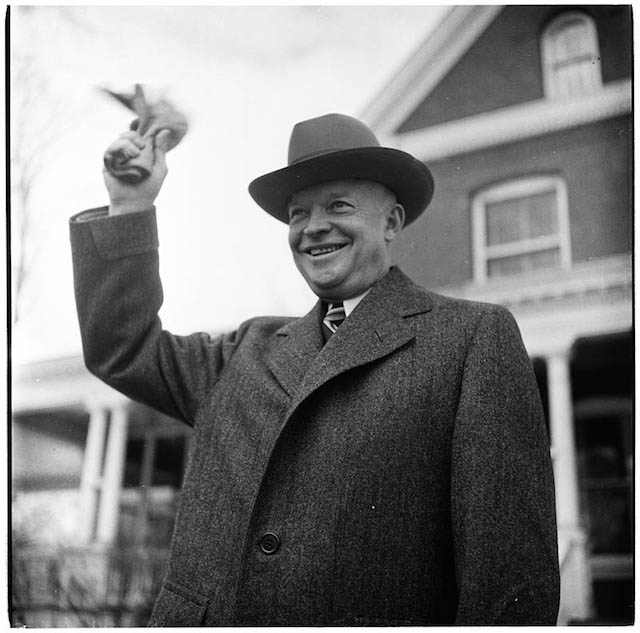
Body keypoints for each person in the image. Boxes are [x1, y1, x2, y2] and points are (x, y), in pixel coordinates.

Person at [69, 113, 560, 626]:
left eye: (339, 206)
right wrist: (130, 205)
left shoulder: (471, 338)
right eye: (298, 213)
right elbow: (121, 347)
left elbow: (510, 579)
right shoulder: (242, 351)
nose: (314, 227)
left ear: (391, 222)